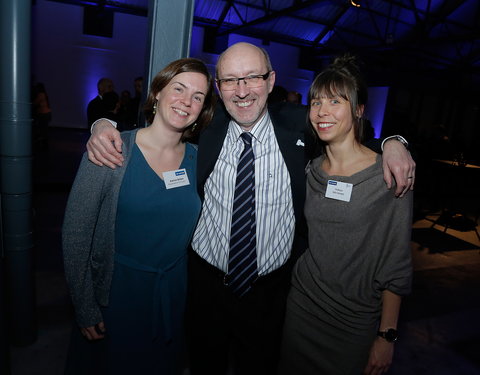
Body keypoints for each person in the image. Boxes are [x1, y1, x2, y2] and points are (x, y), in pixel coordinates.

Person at [85, 42, 415, 374]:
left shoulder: (301, 124)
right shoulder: (205, 125)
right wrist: (102, 124)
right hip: (205, 286)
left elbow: (348, 135)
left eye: (252, 77)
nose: (242, 91)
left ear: (271, 81)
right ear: (218, 87)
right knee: (203, 364)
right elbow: (157, 128)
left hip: (270, 294)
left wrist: (393, 144)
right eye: (230, 80)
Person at [62, 57, 215, 374]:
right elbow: (76, 236)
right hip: (116, 296)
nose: (186, 102)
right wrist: (85, 307)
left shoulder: (201, 161)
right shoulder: (111, 149)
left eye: (197, 96)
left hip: (171, 293)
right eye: (179, 89)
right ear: (158, 92)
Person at [279, 56, 413, 375]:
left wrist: (387, 336)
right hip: (301, 309)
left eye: (335, 101)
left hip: (353, 322)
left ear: (358, 110)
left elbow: (396, 264)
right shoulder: (311, 170)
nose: (322, 111)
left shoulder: (388, 175)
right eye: (316, 102)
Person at [32, 82, 52, 147]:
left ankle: (44, 145)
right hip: (47, 113)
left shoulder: (41, 94)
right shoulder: (44, 94)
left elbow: (36, 103)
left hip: (44, 114)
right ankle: (45, 144)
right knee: (44, 129)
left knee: (43, 129)